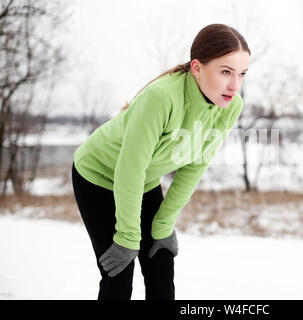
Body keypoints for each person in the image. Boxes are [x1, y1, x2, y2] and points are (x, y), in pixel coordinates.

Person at [71, 23, 251, 300]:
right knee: (119, 272)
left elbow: (195, 165)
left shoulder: (230, 106)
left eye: (241, 74)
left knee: (161, 262)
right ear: (197, 68)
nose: (234, 85)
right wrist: (129, 237)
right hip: (97, 175)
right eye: (225, 72)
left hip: (142, 179)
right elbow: (129, 168)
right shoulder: (161, 98)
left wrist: (164, 224)